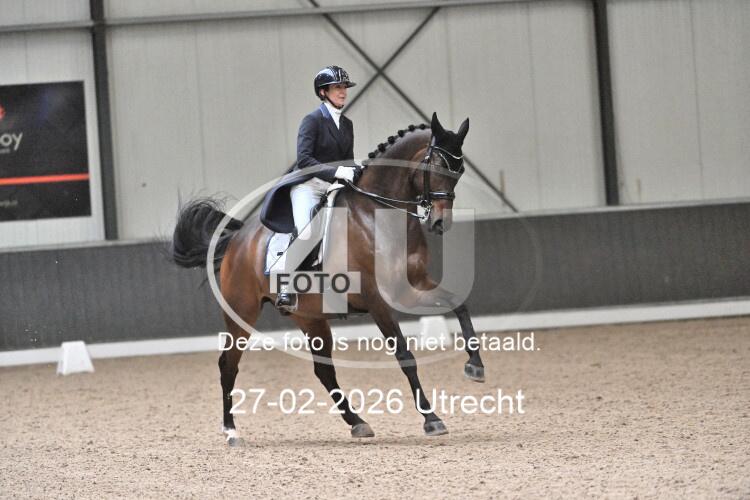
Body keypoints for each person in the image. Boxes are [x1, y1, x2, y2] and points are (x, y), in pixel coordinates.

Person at [276, 65, 361, 308]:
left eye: (344, 87)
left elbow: (347, 160)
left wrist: (357, 169)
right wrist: (337, 171)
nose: (343, 92)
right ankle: (285, 285)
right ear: (323, 92)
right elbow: (304, 160)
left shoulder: (347, 124)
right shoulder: (312, 121)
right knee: (306, 232)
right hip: (309, 187)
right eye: (337, 88)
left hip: (333, 188)